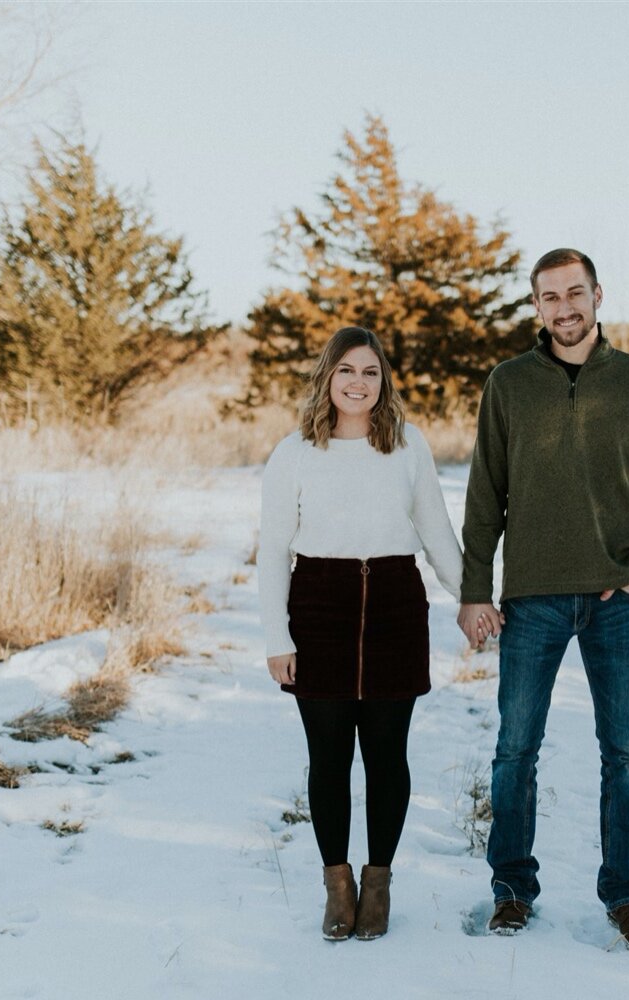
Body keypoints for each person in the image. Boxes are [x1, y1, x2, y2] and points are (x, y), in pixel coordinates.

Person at [458, 248, 629, 950]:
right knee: (515, 751)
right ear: (535, 307)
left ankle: (624, 895)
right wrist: (474, 590)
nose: (564, 308)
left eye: (575, 293)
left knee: (627, 754)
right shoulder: (509, 383)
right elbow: (484, 493)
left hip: (615, 600)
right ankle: (511, 891)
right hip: (531, 601)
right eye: (550, 297)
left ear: (598, 295)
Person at [259, 326, 462, 942]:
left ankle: (378, 882)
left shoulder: (408, 446)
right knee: (328, 760)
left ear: (383, 382)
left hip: (396, 609)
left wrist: (474, 597)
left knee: (386, 758)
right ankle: (337, 884)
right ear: (327, 377)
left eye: (370, 372)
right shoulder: (293, 452)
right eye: (346, 370)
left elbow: (435, 531)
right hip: (320, 608)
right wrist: (277, 636)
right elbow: (271, 550)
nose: (357, 382)